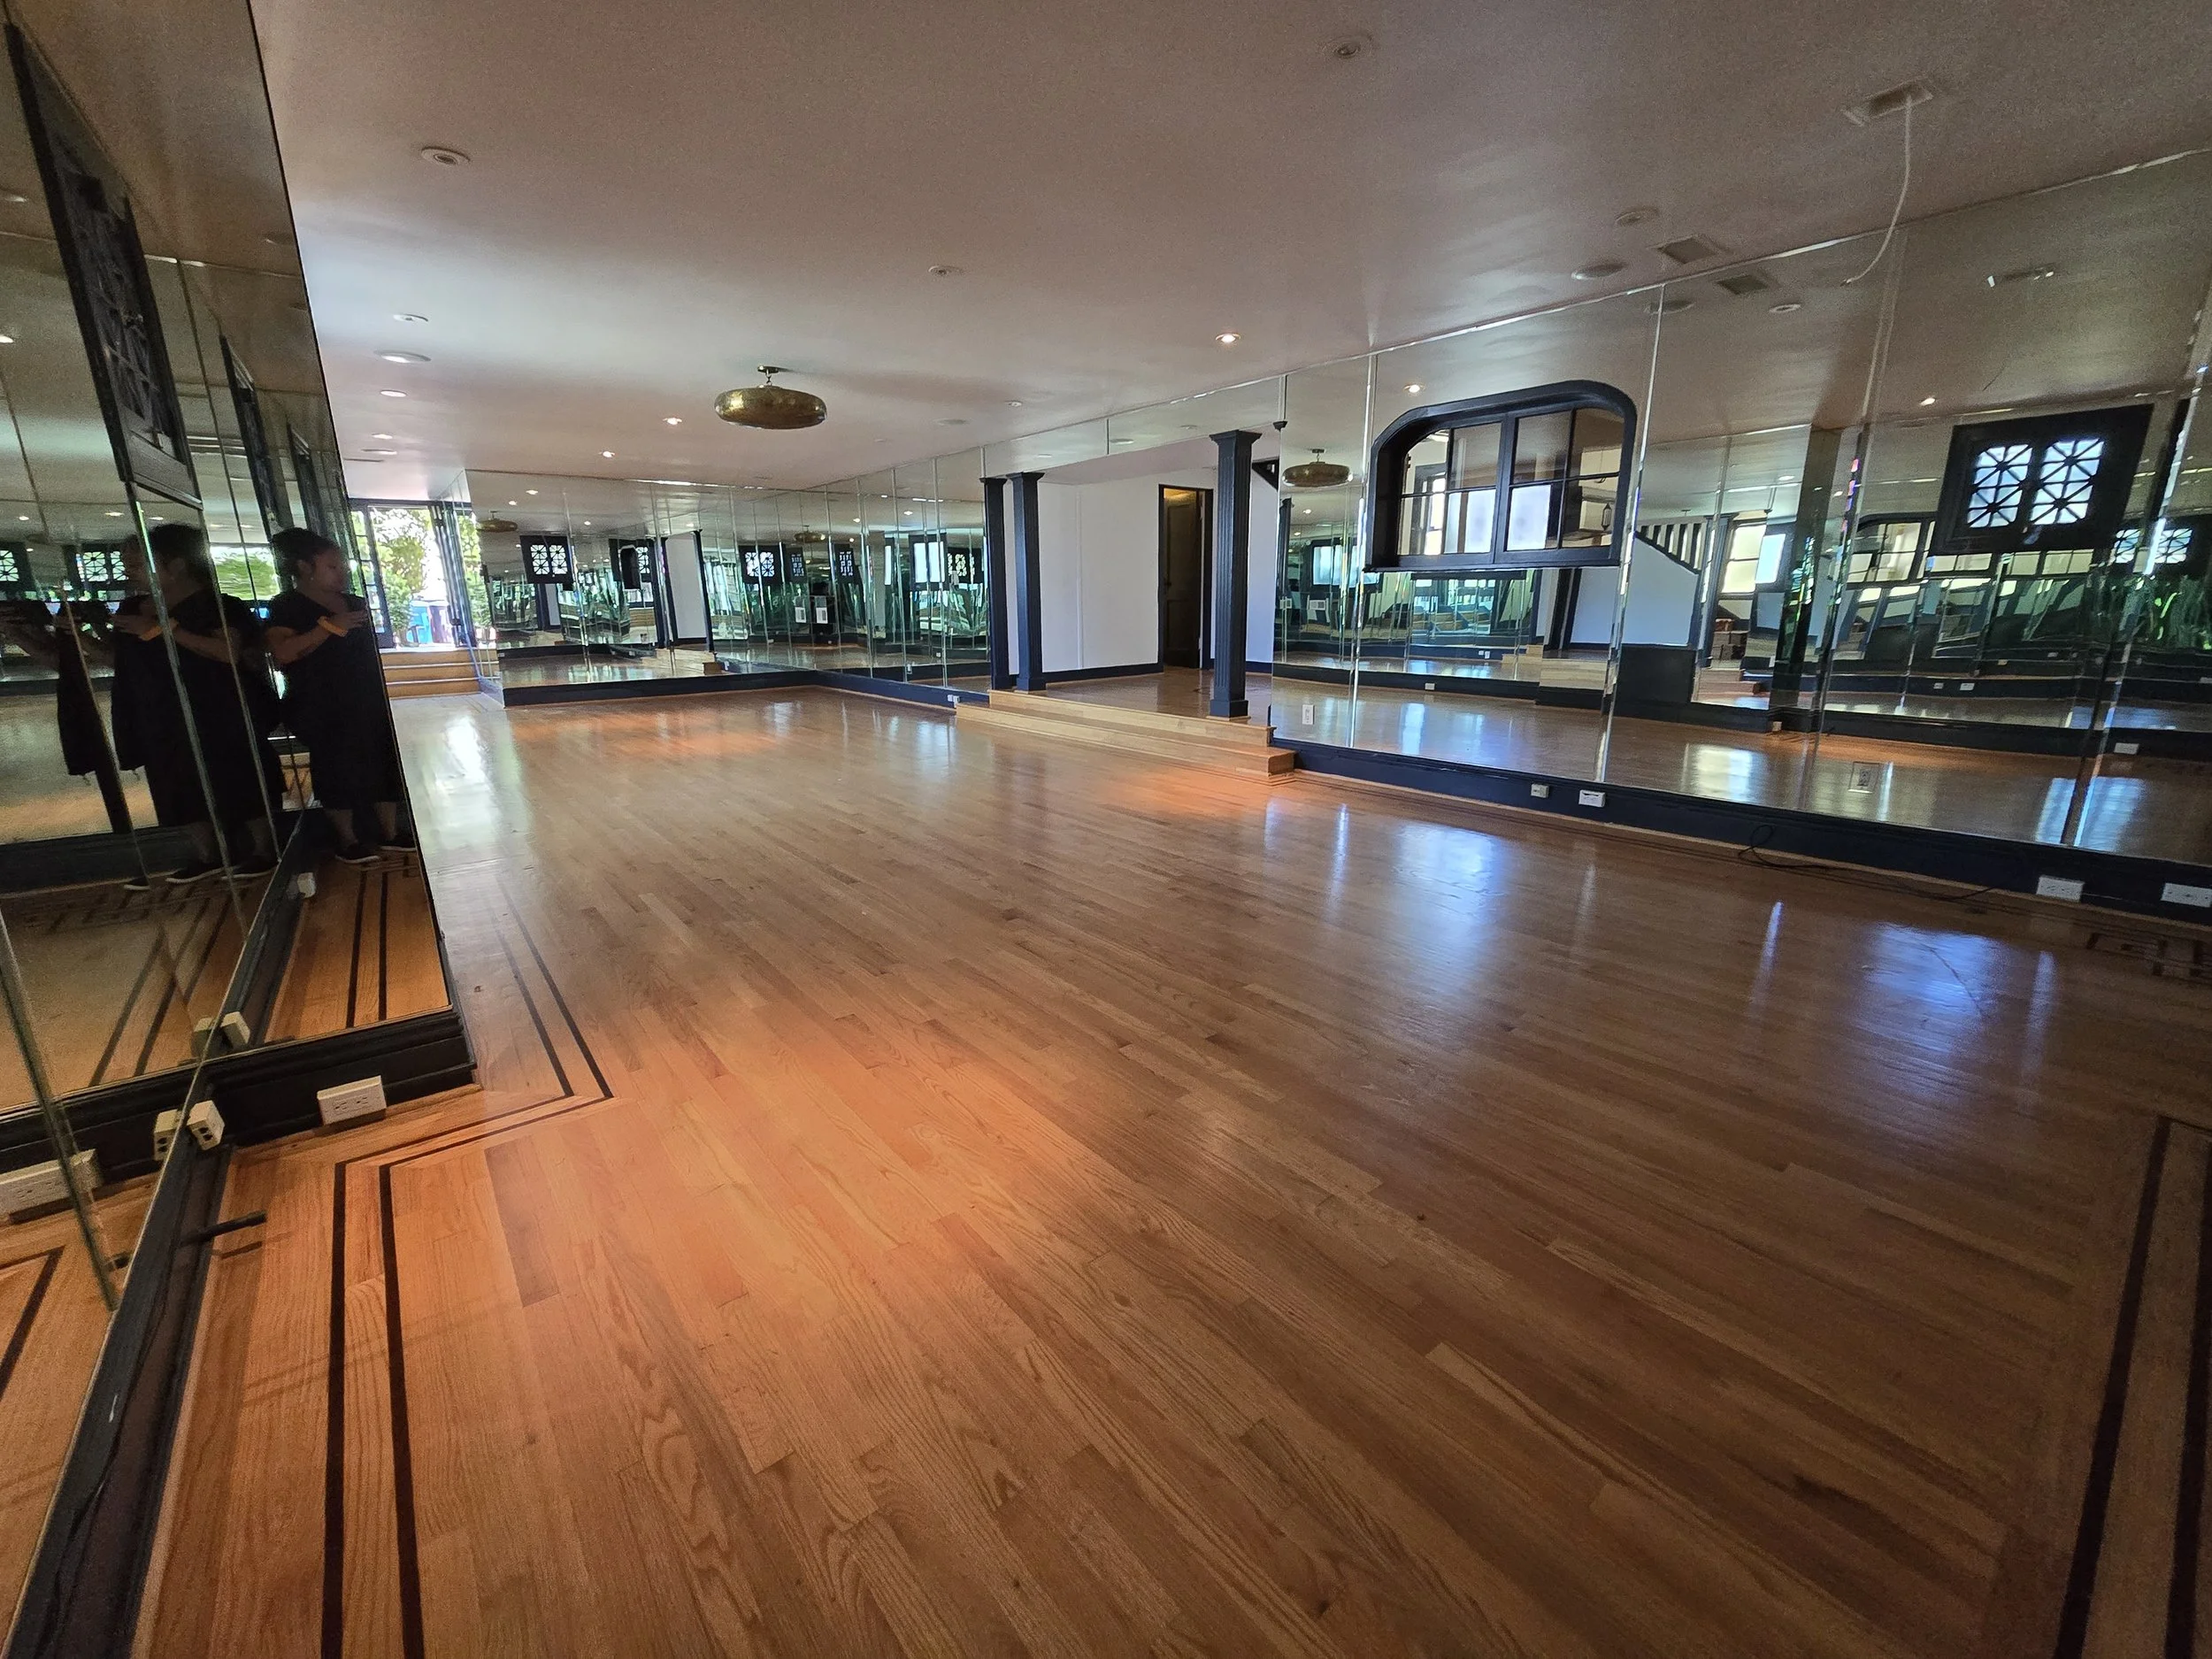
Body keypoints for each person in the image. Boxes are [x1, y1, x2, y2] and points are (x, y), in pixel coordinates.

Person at [109, 526, 283, 883]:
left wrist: (161, 628)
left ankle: (264, 849)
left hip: (219, 709)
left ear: (176, 565)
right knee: (177, 779)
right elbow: (120, 659)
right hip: (160, 711)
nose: (129, 570)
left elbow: (227, 651)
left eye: (139, 562)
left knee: (239, 776)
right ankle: (208, 855)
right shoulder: (133, 608)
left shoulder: (219, 606)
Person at [264, 528, 411, 864]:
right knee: (335, 767)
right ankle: (347, 839)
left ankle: (389, 832)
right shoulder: (287, 606)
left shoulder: (355, 602)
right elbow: (283, 653)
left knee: (381, 760)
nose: (342, 571)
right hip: (321, 703)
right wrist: (329, 627)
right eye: (332, 566)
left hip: (367, 697)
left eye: (341, 564)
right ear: (304, 567)